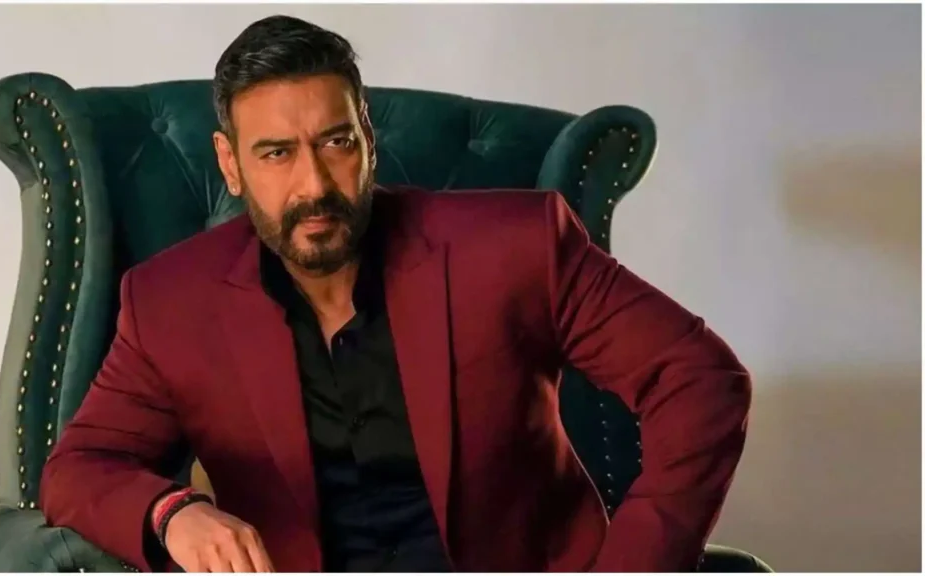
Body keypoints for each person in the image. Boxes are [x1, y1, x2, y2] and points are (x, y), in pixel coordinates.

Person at [40, 14, 754, 573]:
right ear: (230, 164)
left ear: (369, 139)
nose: (314, 184)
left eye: (336, 142)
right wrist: (172, 514)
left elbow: (700, 379)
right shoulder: (171, 302)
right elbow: (78, 469)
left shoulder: (516, 246)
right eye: (276, 153)